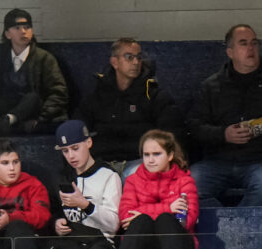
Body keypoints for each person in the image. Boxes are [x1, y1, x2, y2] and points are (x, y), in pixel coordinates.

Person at [188, 24, 262, 207]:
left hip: (261, 161)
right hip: (218, 161)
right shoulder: (211, 86)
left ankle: (239, 227)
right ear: (230, 52)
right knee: (189, 184)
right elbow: (195, 126)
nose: (250, 48)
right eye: (243, 44)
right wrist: (223, 134)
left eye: (254, 43)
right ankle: (225, 226)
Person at [101, 129, 197, 249]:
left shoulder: (184, 181)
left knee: (164, 219)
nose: (150, 160)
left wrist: (145, 211)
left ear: (170, 155)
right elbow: (126, 217)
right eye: (146, 155)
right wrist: (168, 207)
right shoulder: (133, 180)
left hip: (178, 248)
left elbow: (188, 220)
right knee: (143, 220)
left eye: (157, 154)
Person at [75, 38, 184, 173]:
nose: (136, 62)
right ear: (115, 62)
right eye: (129, 57)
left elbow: (170, 133)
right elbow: (77, 130)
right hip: (102, 161)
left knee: (135, 180)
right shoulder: (98, 95)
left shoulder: (154, 95)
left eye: (138, 57)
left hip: (140, 161)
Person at [0, 8, 68, 135]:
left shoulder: (45, 58)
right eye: (17, 28)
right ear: (7, 34)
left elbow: (59, 93)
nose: (23, 32)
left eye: (27, 27)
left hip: (32, 111)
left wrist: (42, 118)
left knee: (32, 97)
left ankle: (8, 120)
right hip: (4, 106)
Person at [45, 120, 121, 249]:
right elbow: (51, 213)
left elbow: (113, 225)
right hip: (70, 241)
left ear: (89, 142)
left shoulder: (108, 176)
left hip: (101, 242)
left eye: (75, 148)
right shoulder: (60, 177)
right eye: (65, 151)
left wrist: (86, 205)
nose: (71, 156)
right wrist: (56, 223)